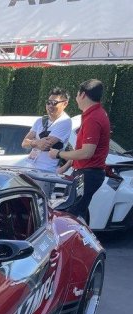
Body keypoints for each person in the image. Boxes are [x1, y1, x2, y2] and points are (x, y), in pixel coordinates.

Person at [49, 79, 110, 222]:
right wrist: (66, 166)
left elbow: (86, 152)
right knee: (72, 213)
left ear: (82, 94)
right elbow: (81, 150)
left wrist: (58, 154)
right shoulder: (95, 114)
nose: (76, 98)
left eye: (77, 95)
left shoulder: (93, 118)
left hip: (88, 174)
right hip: (86, 173)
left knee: (69, 216)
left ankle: (75, 237)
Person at [21, 88, 72, 172]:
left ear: (65, 104)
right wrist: (36, 142)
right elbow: (24, 143)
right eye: (48, 102)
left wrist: (32, 142)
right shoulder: (40, 121)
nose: (50, 106)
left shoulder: (65, 122)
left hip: (46, 171)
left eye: (54, 103)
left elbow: (45, 145)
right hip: (29, 167)